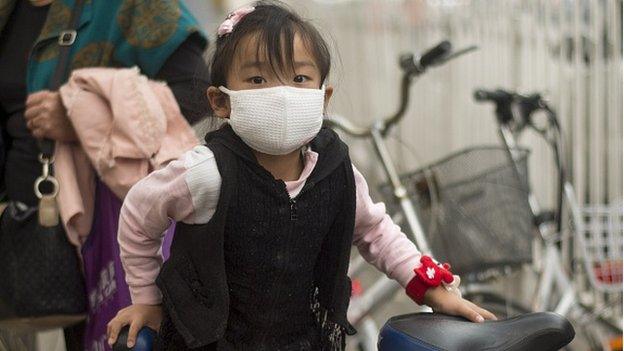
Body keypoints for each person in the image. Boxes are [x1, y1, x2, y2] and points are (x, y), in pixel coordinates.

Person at [106, 2, 496, 350]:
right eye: (258, 80)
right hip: (207, 338)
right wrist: (146, 299)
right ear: (221, 101)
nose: (281, 95)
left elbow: (376, 231)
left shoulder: (335, 170)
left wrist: (432, 289)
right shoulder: (207, 173)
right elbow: (140, 215)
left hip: (302, 339)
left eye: (299, 79)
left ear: (323, 98)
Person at [0, 0, 210, 350]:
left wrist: (85, 120)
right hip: (18, 229)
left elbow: (195, 94)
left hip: (101, 228)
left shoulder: (129, 5)